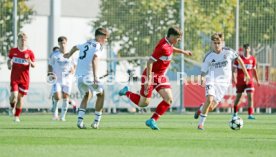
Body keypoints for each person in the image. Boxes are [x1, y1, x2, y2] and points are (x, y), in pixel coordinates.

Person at [118, 27, 192, 130]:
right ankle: (126, 92)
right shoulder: (163, 47)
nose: (178, 41)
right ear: (170, 36)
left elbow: (171, 49)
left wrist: (183, 52)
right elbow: (149, 62)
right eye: (177, 38)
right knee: (143, 103)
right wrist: (148, 80)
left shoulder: (169, 43)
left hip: (160, 76)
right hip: (150, 75)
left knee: (169, 99)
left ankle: (152, 120)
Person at [196, 32, 250, 130]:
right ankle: (201, 124)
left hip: (224, 84)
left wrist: (246, 73)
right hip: (211, 80)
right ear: (211, 44)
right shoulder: (208, 56)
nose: (216, 45)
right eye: (214, 43)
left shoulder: (228, 52)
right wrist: (202, 78)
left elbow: (239, 59)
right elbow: (203, 71)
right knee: (209, 99)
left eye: (218, 43)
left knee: (211, 107)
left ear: (222, 43)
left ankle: (201, 108)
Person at [64, 27, 108, 129]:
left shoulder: (86, 43)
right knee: (101, 94)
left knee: (87, 95)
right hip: (89, 76)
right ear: (100, 37)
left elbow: (75, 47)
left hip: (79, 77)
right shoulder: (98, 46)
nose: (106, 40)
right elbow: (95, 59)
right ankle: (96, 122)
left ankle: (80, 121)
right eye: (105, 38)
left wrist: (69, 54)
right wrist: (96, 76)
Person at [7, 32, 35, 122]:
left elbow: (34, 65)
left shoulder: (30, 53)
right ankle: (12, 107)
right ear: (18, 40)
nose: (23, 41)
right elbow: (9, 62)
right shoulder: (13, 51)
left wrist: (30, 62)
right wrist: (9, 64)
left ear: (26, 41)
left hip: (25, 79)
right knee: (14, 96)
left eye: (24, 40)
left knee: (19, 98)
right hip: (14, 78)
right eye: (21, 40)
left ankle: (16, 116)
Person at [48, 36, 76, 121]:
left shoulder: (70, 54)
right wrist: (50, 74)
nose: (62, 45)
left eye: (64, 43)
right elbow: (50, 65)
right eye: (61, 43)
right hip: (57, 79)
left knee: (66, 97)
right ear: (58, 44)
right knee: (57, 96)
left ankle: (63, 116)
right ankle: (55, 113)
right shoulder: (54, 55)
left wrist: (73, 69)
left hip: (67, 79)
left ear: (66, 43)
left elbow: (74, 64)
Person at [232, 44, 260, 119]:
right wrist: (234, 77)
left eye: (248, 49)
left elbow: (254, 70)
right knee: (238, 97)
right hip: (240, 81)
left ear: (250, 49)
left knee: (250, 97)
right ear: (243, 50)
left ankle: (250, 114)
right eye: (245, 49)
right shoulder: (238, 59)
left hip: (249, 81)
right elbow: (234, 70)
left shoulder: (252, 59)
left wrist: (257, 80)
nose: (246, 50)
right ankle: (235, 113)